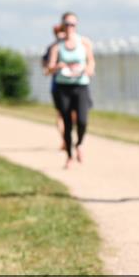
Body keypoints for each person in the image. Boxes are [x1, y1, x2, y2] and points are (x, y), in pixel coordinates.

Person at [47, 12, 95, 169]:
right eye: (67, 24)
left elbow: (91, 62)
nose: (70, 27)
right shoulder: (56, 46)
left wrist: (88, 70)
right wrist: (57, 67)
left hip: (80, 85)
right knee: (66, 123)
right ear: (62, 25)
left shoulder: (84, 43)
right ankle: (69, 155)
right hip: (63, 87)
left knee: (82, 120)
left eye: (72, 24)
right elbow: (49, 68)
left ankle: (79, 144)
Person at [43, 24, 68, 150]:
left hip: (75, 85)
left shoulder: (75, 46)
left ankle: (67, 137)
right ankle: (65, 139)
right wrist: (56, 67)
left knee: (73, 115)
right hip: (58, 86)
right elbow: (46, 71)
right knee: (61, 114)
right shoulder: (51, 49)